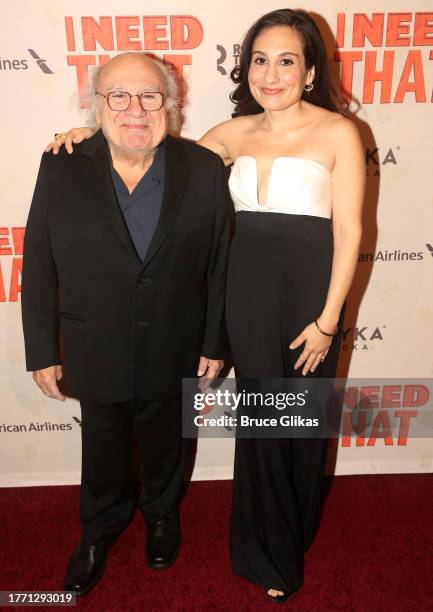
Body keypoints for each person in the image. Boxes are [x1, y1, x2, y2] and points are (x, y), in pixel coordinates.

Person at [46, 8, 364, 604]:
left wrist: (328, 320)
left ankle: (286, 538)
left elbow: (350, 233)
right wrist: (87, 135)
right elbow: (151, 144)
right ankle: (262, 549)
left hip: (307, 303)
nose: (271, 74)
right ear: (246, 70)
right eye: (260, 60)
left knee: (295, 425)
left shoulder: (338, 133)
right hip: (245, 299)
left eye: (287, 60)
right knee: (260, 428)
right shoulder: (228, 134)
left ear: (311, 70)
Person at [22, 52, 231, 596]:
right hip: (96, 344)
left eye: (149, 95)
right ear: (97, 106)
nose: (135, 108)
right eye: (119, 95)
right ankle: (98, 530)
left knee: (167, 444)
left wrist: (214, 341)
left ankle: (162, 515)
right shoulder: (62, 164)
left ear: (170, 105)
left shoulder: (204, 168)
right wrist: (43, 347)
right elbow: (40, 259)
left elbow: (219, 262)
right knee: (103, 449)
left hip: (176, 340)